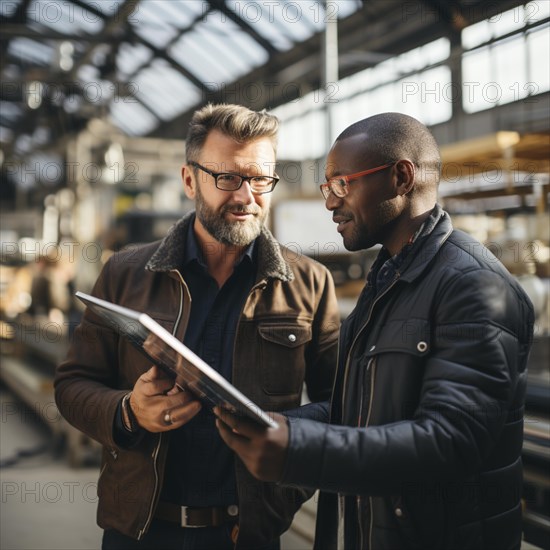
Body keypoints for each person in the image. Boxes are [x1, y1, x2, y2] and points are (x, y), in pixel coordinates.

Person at [215, 112, 535, 550]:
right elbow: (361, 409)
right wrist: (281, 425)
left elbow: (451, 441)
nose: (330, 202)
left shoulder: (475, 287)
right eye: (329, 187)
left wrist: (300, 450)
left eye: (342, 184)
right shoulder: (388, 279)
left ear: (402, 177)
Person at [54, 104, 340, 550]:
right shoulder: (125, 274)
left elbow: (339, 406)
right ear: (190, 180)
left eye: (261, 179)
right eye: (227, 178)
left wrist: (284, 458)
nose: (246, 197)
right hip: (141, 530)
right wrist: (130, 412)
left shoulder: (310, 284)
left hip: (247, 534)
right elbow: (72, 385)